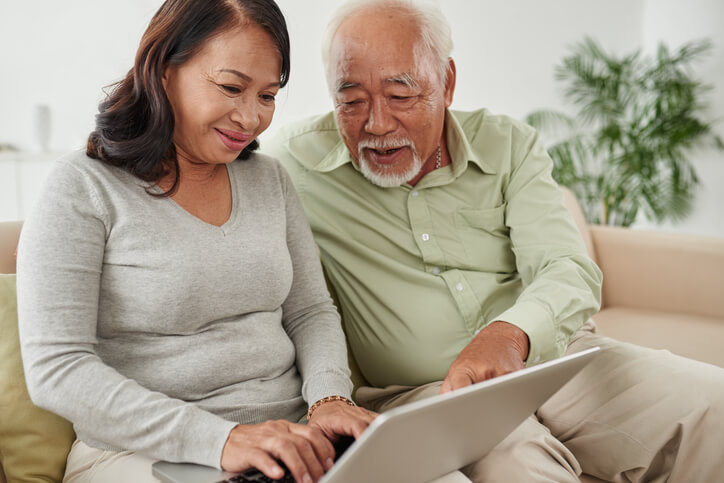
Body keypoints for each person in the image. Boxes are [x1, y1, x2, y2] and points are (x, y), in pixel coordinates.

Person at [262, 0, 724, 481]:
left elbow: (568, 268)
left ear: (447, 83)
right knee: (523, 470)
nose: (376, 124)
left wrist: (508, 336)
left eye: (400, 95)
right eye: (351, 100)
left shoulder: (509, 146)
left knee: (714, 406)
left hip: (552, 360)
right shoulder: (289, 167)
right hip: (426, 394)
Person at [16, 1, 375, 482]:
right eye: (231, 87)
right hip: (140, 454)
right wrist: (221, 440)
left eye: (267, 96)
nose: (250, 118)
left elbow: (309, 309)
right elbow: (57, 369)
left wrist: (330, 398)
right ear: (164, 72)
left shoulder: (269, 179)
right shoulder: (82, 187)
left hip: (291, 436)